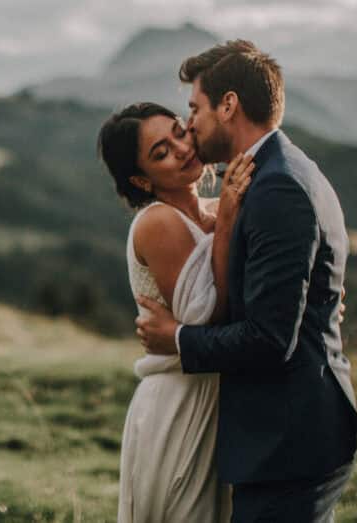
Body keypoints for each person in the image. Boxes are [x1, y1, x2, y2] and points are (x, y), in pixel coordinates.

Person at [136, 40, 357, 523]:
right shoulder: (269, 174)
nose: (190, 126)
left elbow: (268, 339)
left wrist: (177, 338)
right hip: (284, 436)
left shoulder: (277, 186)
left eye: (195, 109)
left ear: (228, 105)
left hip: (289, 442)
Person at [97, 102, 254, 522]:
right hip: (180, 406)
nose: (182, 149)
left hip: (225, 402)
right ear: (141, 180)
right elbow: (207, 315)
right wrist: (229, 218)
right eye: (161, 153)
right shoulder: (158, 222)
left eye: (179, 132)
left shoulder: (218, 209)